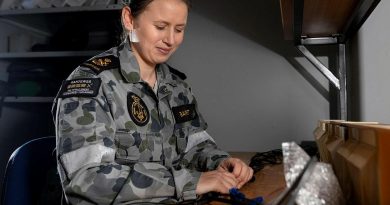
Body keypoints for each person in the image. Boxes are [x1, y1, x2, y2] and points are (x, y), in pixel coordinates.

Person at [53, 0, 253, 204]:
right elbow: (87, 179)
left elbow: (195, 146)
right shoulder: (91, 83)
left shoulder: (176, 86)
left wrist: (221, 163)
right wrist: (187, 182)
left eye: (179, 29)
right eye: (160, 27)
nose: (170, 40)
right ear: (129, 19)